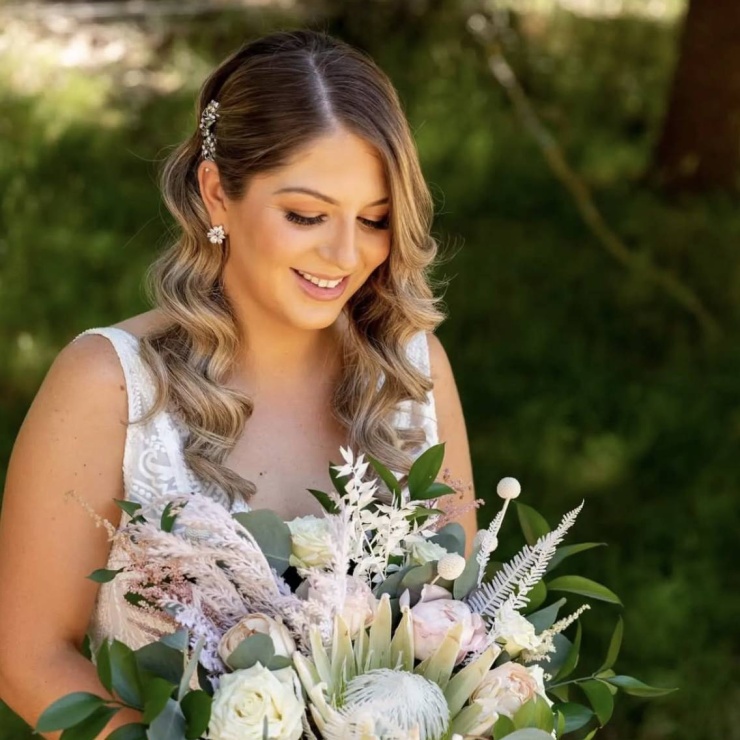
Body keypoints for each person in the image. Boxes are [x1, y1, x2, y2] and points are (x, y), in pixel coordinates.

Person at [0, 29, 477, 736]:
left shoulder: (412, 373)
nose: (345, 254)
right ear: (217, 192)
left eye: (374, 219)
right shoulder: (108, 385)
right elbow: (27, 656)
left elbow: (460, 631)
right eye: (307, 215)